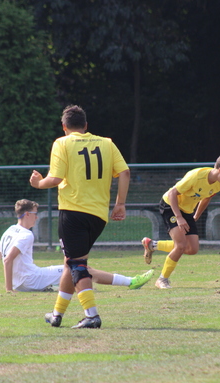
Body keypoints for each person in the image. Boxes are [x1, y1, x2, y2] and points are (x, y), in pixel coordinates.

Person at [30, 105, 132, 329]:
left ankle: (92, 315)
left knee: (77, 264)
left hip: (73, 211)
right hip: (98, 215)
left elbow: (55, 179)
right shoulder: (106, 142)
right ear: (86, 126)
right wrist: (120, 204)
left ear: (64, 126)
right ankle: (57, 314)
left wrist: (38, 183)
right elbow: (124, 172)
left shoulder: (62, 143)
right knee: (70, 263)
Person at [0, 199, 153, 293]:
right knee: (82, 268)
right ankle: (131, 282)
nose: (36, 216)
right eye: (35, 213)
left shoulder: (10, 230)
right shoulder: (26, 235)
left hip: (25, 282)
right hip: (32, 279)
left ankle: (58, 287)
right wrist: (8, 290)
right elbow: (8, 259)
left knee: (73, 271)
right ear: (26, 214)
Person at [141, 152, 220, 289]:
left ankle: (152, 245)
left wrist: (196, 215)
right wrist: (179, 218)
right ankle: (162, 279)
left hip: (187, 211)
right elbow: (172, 193)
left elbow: (206, 198)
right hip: (170, 205)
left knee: (192, 249)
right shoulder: (196, 176)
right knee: (180, 245)